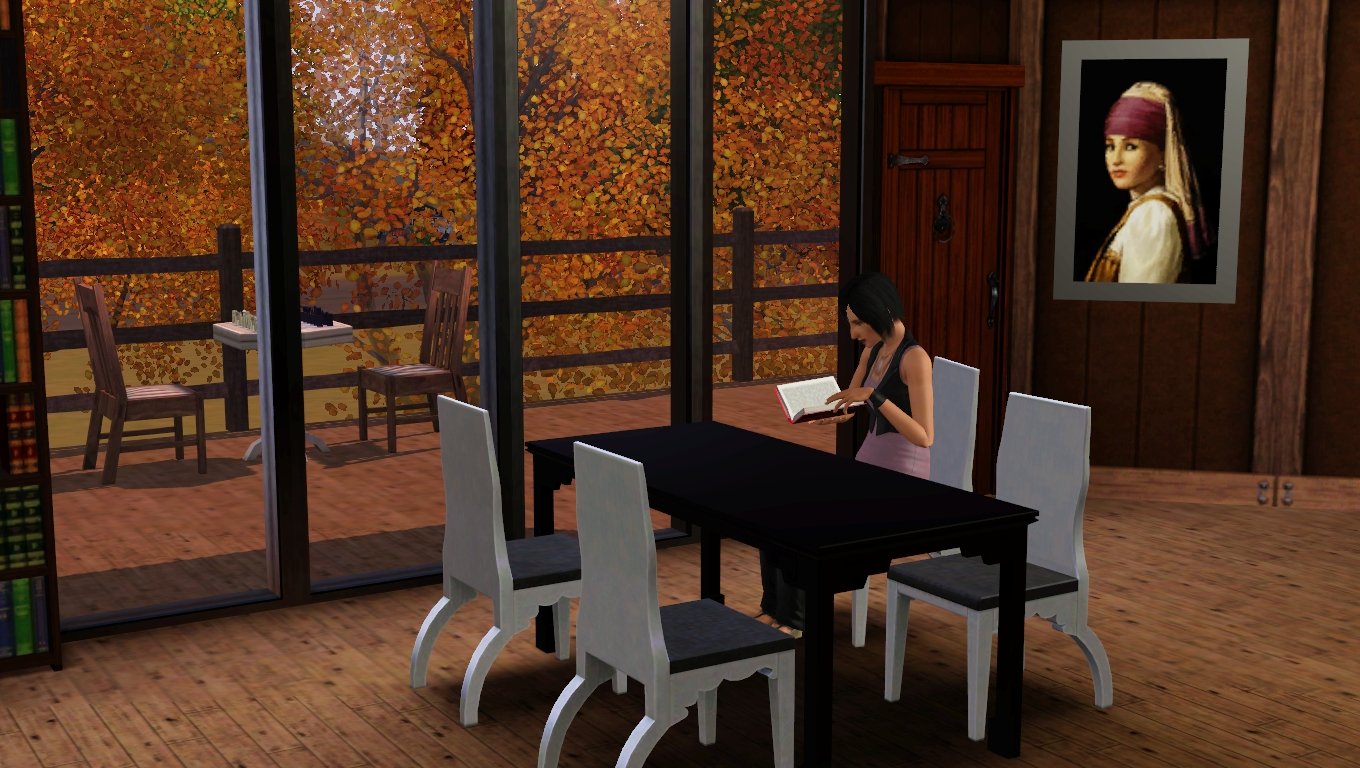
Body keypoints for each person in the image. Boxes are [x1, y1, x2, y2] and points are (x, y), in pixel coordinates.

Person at [757, 271, 934, 636]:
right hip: (868, 470)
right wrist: (826, 411)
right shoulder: (873, 350)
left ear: (881, 312)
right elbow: (850, 401)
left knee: (810, 521)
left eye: (857, 323)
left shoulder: (914, 359)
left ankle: (796, 619)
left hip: (903, 483)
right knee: (777, 507)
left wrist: (875, 397)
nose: (853, 333)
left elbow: (924, 436)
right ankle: (774, 608)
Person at [1084, 81, 1214, 284]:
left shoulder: (1154, 215)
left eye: (1130, 146)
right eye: (1110, 146)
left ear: (1163, 154)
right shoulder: (1144, 210)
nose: (1115, 159)